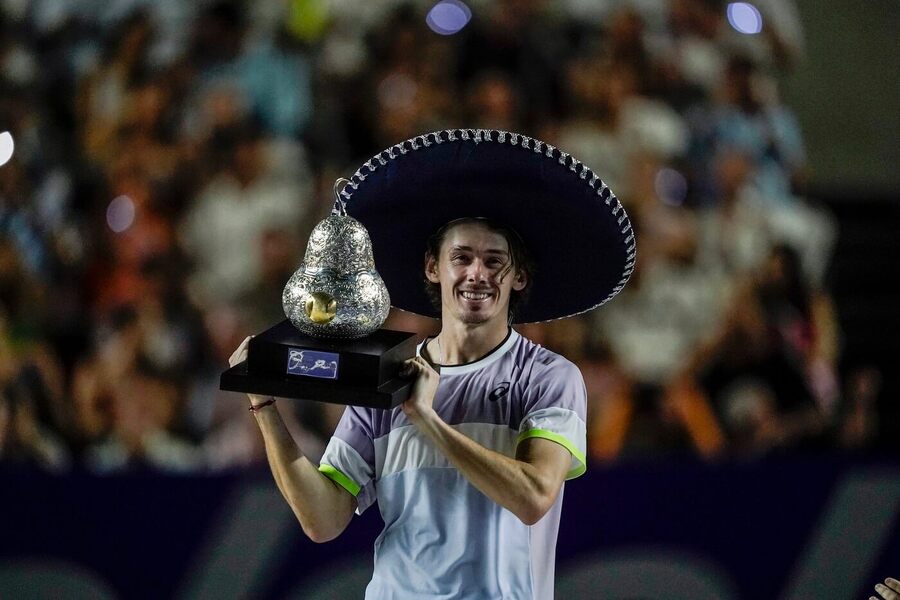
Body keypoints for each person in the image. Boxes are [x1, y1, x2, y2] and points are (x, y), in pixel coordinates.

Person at [228, 129, 635, 599]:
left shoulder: (549, 378)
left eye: (494, 260)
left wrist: (427, 417)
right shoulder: (386, 377)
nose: (476, 273)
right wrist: (264, 405)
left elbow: (533, 496)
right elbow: (322, 520)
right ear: (433, 268)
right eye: (460, 257)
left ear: (518, 277)